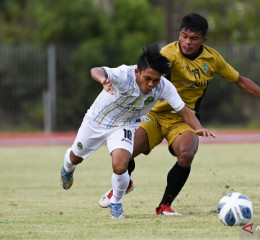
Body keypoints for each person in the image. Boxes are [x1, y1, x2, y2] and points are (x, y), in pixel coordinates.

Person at [98, 13, 260, 215]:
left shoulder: (212, 59)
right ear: (179, 35)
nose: (187, 42)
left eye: (194, 38)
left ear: (203, 40)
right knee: (126, 152)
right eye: (184, 36)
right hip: (154, 115)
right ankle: (123, 184)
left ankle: (164, 206)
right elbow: (149, 77)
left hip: (184, 118)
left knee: (186, 153)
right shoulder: (168, 53)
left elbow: (239, 80)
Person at [60, 44, 215, 219]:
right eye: (148, 78)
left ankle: (116, 203)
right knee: (76, 157)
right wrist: (103, 80)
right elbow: (96, 70)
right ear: (137, 72)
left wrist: (198, 128)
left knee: (120, 165)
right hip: (96, 122)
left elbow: (184, 111)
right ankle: (68, 167)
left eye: (156, 80)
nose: (151, 84)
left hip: (124, 125)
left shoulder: (164, 86)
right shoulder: (124, 74)